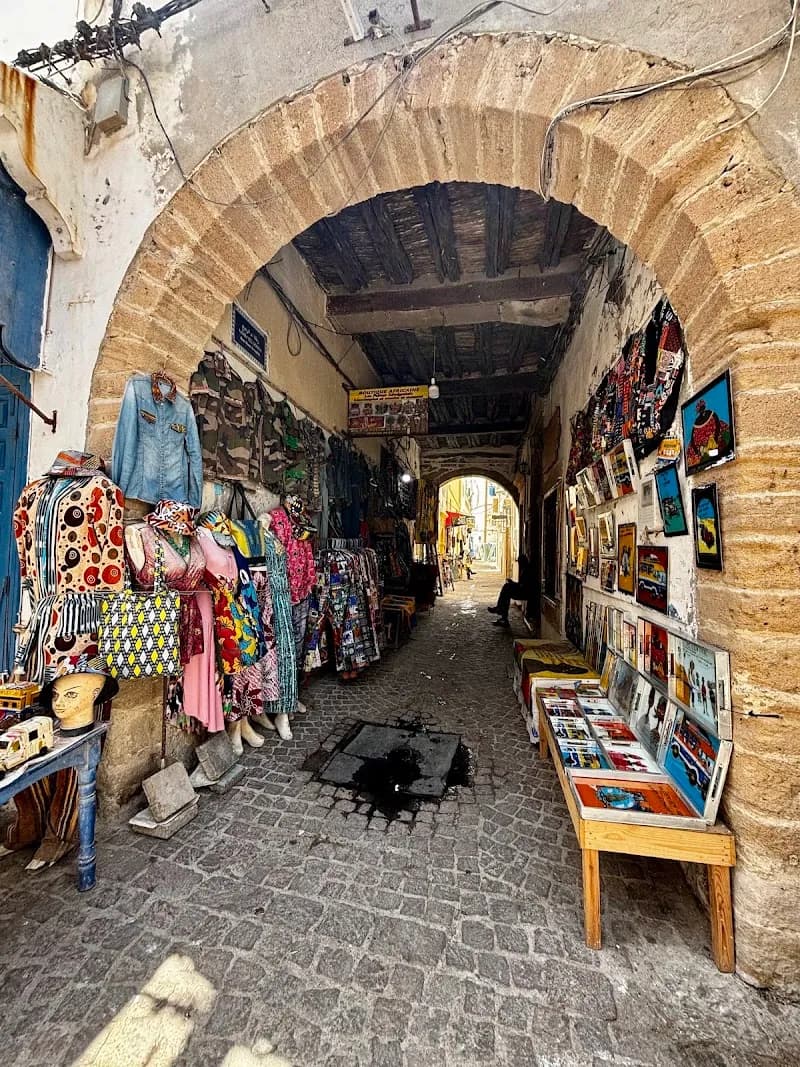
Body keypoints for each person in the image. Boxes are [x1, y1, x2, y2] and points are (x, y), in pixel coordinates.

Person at [487, 555, 533, 627]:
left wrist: (513, 583)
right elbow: (521, 585)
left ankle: (501, 612)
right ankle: (502, 614)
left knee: (506, 590)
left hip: (526, 593)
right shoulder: (525, 569)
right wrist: (513, 583)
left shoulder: (527, 571)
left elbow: (523, 586)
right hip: (524, 591)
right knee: (506, 590)